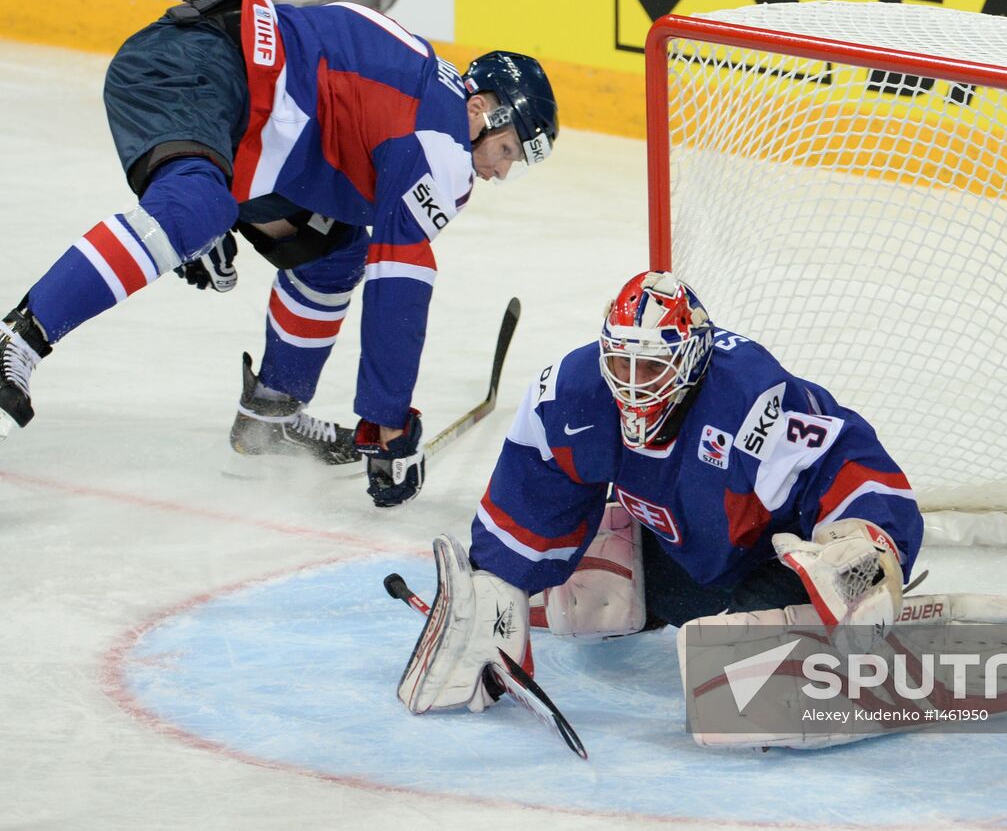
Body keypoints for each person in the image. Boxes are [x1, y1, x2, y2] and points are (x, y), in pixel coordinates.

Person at [0, 0, 558, 508]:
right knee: (195, 208)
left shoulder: (422, 92)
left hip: (234, 110)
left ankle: (272, 411)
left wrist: (236, 207)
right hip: (204, 72)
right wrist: (388, 427)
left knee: (330, 252)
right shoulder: (443, 141)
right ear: (483, 109)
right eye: (507, 149)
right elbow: (400, 276)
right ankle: (11, 343)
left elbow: (307, 110)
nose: (502, 170)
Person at [396, 270, 929, 738]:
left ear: (693, 358)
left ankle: (846, 610)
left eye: (650, 368)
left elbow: (842, 455)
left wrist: (867, 537)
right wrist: (499, 580)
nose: (631, 385)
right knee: (595, 590)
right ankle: (634, 586)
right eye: (620, 363)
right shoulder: (572, 390)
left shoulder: (750, 400)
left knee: (742, 668)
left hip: (779, 553)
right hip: (690, 552)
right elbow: (533, 485)